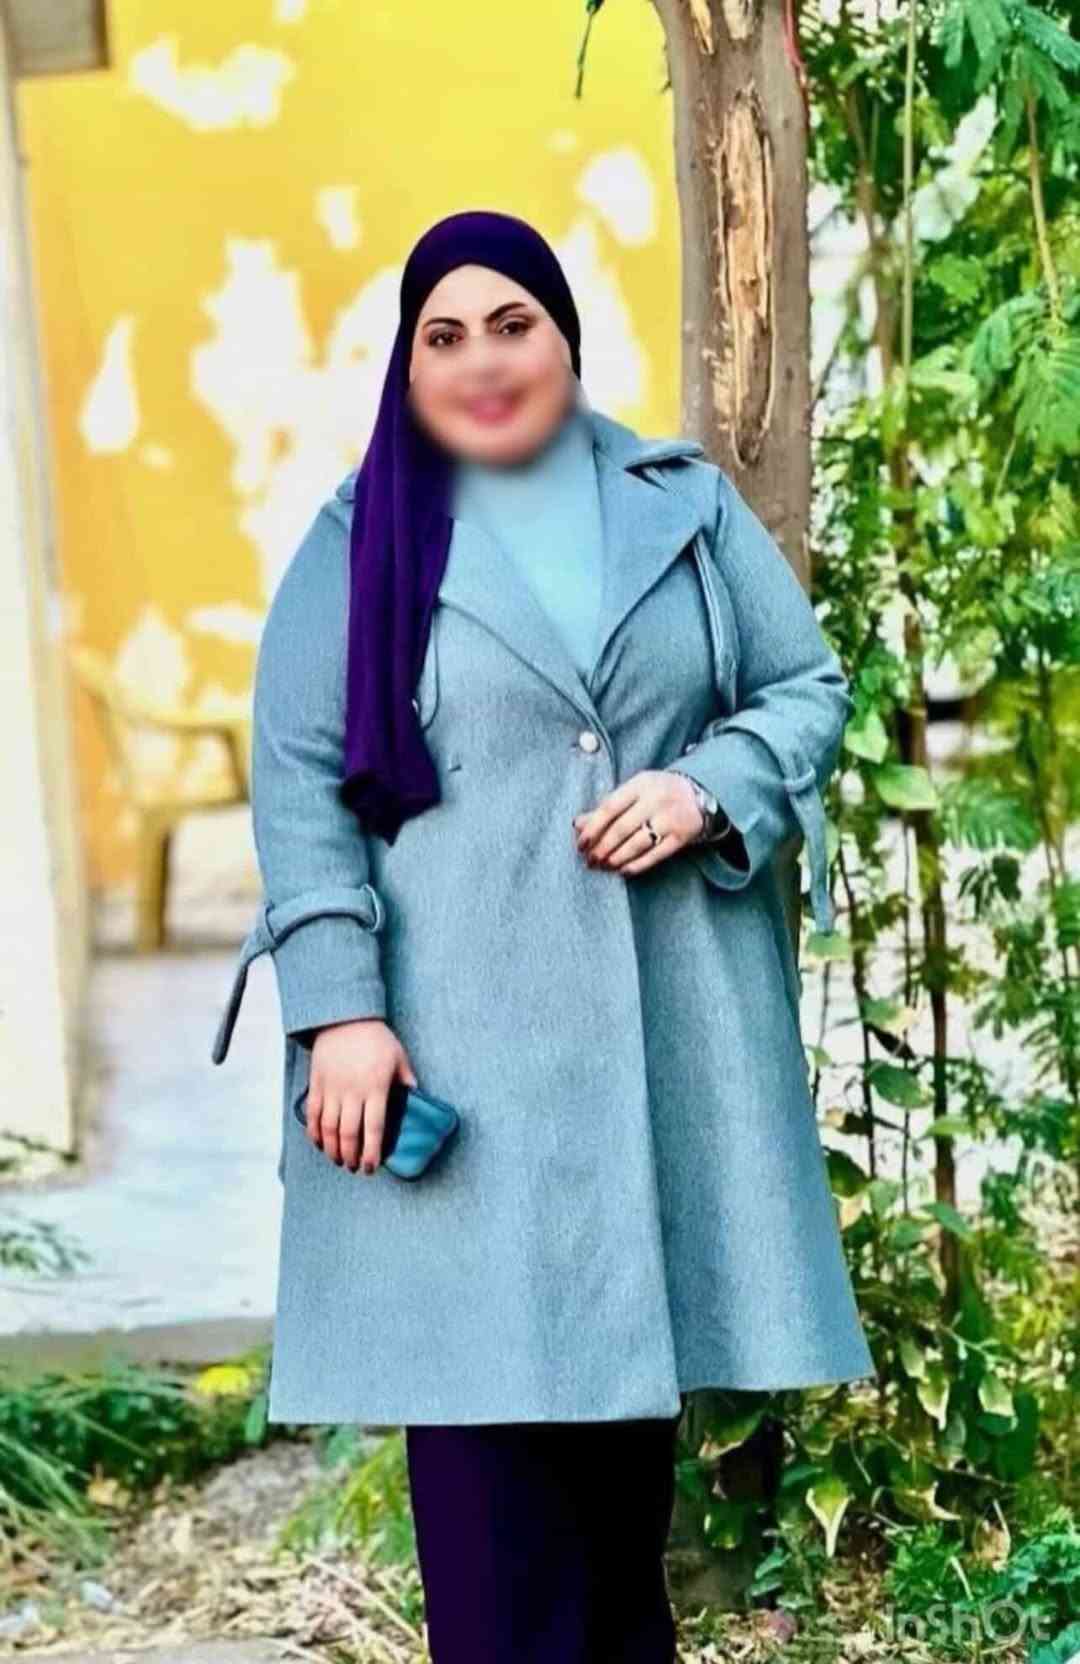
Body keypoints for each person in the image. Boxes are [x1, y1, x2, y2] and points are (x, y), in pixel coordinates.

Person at [212, 209, 876, 1663]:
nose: (483, 361)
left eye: (512, 325)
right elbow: (298, 781)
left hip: (648, 1044)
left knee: (620, 1505)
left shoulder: (681, 508)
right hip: (451, 1046)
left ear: (564, 338)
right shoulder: (360, 539)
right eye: (444, 337)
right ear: (409, 367)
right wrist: (340, 1010)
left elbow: (806, 688)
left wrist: (709, 785)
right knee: (487, 1494)